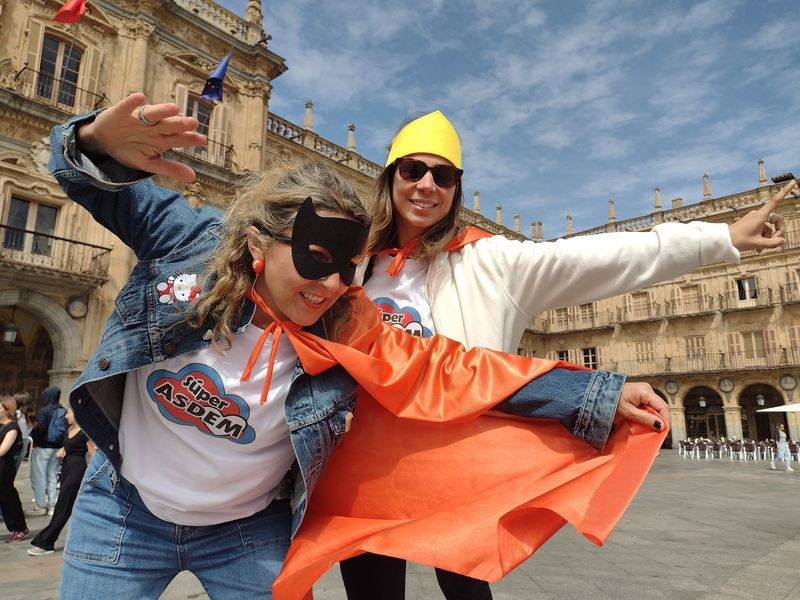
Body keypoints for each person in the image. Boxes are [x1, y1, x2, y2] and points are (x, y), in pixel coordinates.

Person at [47, 94, 667, 600]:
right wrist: (95, 143)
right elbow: (93, 181)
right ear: (261, 246)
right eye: (316, 261)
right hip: (124, 513)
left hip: (247, 533)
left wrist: (599, 391)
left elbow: (450, 367)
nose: (333, 286)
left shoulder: (348, 315)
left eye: (348, 268)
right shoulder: (195, 244)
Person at [334, 110, 797, 600]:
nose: (427, 185)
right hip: (365, 469)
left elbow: (596, 257)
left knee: (467, 592)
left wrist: (718, 238)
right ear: (390, 178)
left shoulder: (488, 261)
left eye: (443, 175)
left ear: (455, 190)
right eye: (413, 171)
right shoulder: (354, 265)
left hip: (456, 466)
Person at [28, 406, 95, 556]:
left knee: (63, 508)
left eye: (69, 413)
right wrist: (63, 450)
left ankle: (46, 542)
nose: (66, 416)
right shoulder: (70, 429)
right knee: (65, 507)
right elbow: (70, 446)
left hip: (76, 472)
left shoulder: (85, 432)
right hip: (65, 469)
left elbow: (94, 454)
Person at [28, 386, 64, 516]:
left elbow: (39, 428)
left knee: (39, 476)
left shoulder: (44, 411)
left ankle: (41, 505)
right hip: (57, 448)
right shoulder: (62, 410)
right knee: (52, 476)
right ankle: (52, 506)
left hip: (43, 448)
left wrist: (34, 440)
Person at [0, 394, 28, 542]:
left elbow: (2, 450)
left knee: (7, 498)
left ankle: (20, 527)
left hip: (4, 468)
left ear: (7, 409)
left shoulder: (12, 427)